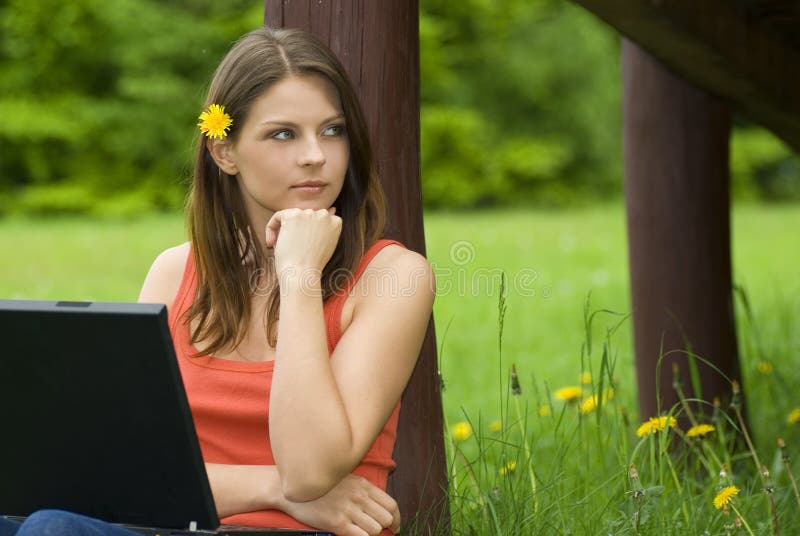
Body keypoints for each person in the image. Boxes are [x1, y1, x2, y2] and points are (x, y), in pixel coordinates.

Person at [0, 27, 434, 536]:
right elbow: (127, 471)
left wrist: (298, 275)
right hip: (172, 528)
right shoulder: (174, 273)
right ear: (224, 152)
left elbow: (311, 469)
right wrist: (274, 489)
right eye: (283, 134)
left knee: (53, 528)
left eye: (332, 130)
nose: (315, 154)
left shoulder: (393, 277)